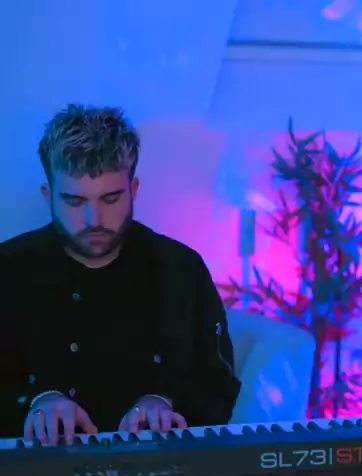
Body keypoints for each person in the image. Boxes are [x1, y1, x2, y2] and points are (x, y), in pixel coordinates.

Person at [0, 105, 242, 444]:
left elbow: (217, 384)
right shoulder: (9, 269)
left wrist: (166, 402)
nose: (93, 219)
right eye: (74, 201)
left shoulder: (180, 269)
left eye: (111, 199)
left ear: (134, 189)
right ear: (48, 195)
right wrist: (37, 402)